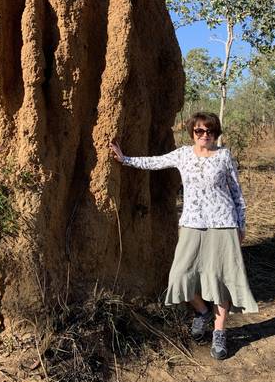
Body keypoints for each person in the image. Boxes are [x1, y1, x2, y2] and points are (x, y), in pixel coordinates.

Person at [110, 112, 258, 360]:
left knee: (221, 279)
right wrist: (124, 159)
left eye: (209, 131)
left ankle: (219, 334)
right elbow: (155, 162)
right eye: (199, 131)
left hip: (223, 225)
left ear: (216, 133)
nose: (204, 135)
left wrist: (241, 225)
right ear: (192, 133)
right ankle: (202, 312)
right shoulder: (183, 155)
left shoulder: (224, 156)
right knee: (180, 275)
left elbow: (237, 194)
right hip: (192, 223)